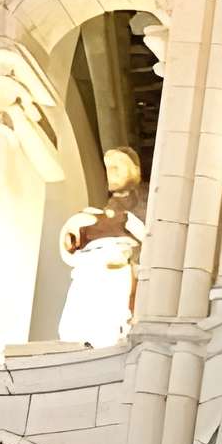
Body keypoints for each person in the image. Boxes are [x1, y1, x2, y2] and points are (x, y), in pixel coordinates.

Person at [57, 145, 145, 347]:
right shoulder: (96, 214)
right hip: (97, 277)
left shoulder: (138, 210)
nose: (111, 173)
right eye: (109, 168)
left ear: (134, 170)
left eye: (117, 167)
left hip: (123, 278)